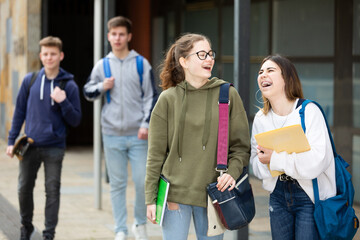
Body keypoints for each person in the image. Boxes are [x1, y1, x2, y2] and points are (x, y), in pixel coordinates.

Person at [145, 33, 250, 240]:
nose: (209, 59)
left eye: (211, 54)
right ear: (184, 61)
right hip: (174, 194)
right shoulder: (168, 99)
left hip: (214, 195)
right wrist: (150, 198)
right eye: (202, 54)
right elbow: (155, 154)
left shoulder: (227, 95)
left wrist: (232, 172)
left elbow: (241, 147)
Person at [83, 16, 158, 240]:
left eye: (121, 34)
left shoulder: (141, 63)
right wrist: (101, 86)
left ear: (129, 36)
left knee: (142, 181)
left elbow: (152, 97)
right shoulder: (102, 65)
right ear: (109, 36)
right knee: (117, 184)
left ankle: (139, 225)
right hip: (112, 134)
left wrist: (146, 124)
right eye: (114, 34)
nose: (117, 38)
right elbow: (87, 91)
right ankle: (120, 229)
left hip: (138, 135)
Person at [250, 55, 336, 239]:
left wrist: (274, 159)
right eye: (260, 72)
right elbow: (256, 166)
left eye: (270, 70)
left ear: (287, 78)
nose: (263, 74)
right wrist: (264, 161)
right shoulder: (260, 119)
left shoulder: (309, 111)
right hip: (278, 195)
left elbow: (317, 162)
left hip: (309, 197)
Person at [6, 36, 82, 240]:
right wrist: (11, 141)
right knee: (23, 188)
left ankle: (49, 234)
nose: (49, 58)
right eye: (46, 54)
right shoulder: (29, 81)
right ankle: (26, 226)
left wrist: (63, 101)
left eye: (53, 54)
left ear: (61, 56)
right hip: (29, 145)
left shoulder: (69, 86)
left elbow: (76, 120)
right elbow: (19, 112)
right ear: (41, 56)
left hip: (55, 147)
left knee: (52, 191)